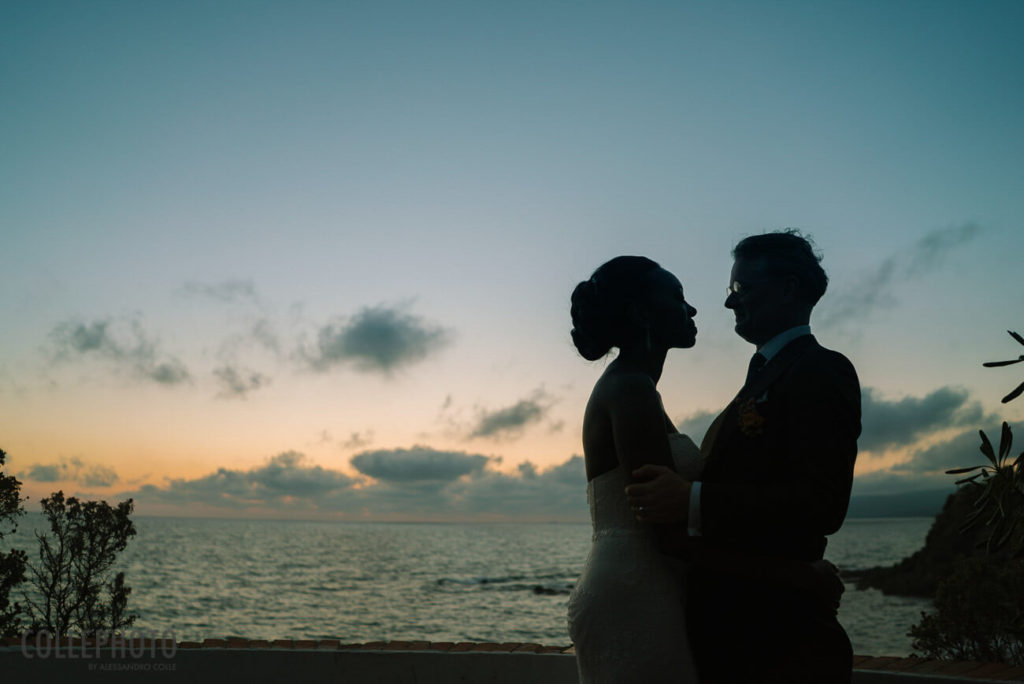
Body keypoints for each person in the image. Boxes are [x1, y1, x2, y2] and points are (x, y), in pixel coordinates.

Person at [626, 230, 860, 683]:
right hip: (735, 632)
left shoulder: (820, 369)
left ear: (789, 288)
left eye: (741, 288)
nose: (730, 303)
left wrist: (692, 500)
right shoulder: (764, 374)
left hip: (778, 635)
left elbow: (823, 502)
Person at [566, 255, 702, 683]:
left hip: (639, 584)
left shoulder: (634, 387)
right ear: (643, 313)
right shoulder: (629, 389)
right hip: (635, 593)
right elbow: (665, 529)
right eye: (678, 297)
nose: (692, 309)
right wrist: (781, 574)